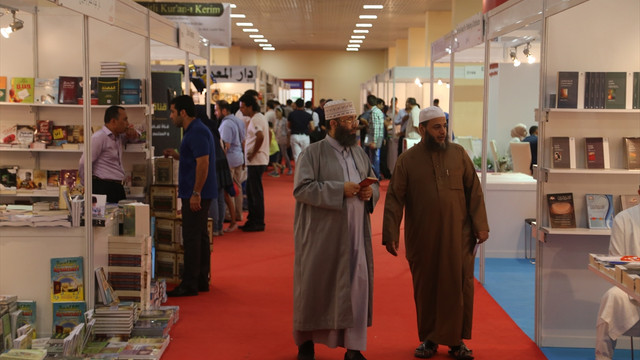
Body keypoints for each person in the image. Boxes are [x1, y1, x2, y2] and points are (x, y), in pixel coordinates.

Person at [382, 106, 489, 360]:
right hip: (423, 236)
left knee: (458, 287)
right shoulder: (407, 160)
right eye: (437, 127)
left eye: (444, 126)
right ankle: (429, 340)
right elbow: (395, 198)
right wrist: (390, 233)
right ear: (422, 130)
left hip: (458, 236)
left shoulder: (459, 154)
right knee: (426, 287)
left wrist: (481, 225)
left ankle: (457, 342)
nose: (443, 132)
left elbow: (474, 191)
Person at [293, 99, 379, 360]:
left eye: (355, 120)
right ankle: (306, 343)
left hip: (356, 233)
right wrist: (338, 189)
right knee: (315, 286)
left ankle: (353, 348)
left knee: (356, 287)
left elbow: (374, 181)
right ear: (333, 124)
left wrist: (369, 192)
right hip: (322, 235)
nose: (355, 126)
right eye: (350, 121)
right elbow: (302, 189)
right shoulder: (312, 153)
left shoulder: (358, 152)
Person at [163, 95, 217, 297]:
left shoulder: (196, 132)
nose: (171, 116)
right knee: (200, 236)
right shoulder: (196, 131)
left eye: (173, 111)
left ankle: (190, 283)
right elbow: (196, 159)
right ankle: (201, 279)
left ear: (182, 112)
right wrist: (178, 155)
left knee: (192, 238)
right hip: (199, 191)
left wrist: (196, 193)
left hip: (196, 193)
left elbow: (203, 163)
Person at [595, 185, 640, 360]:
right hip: (632, 288)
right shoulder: (624, 218)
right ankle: (603, 357)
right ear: (638, 193)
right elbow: (616, 263)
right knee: (612, 297)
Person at [78, 105, 138, 203]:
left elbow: (135, 137)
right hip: (103, 187)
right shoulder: (99, 137)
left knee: (119, 216)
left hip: (117, 187)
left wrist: (133, 132)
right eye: (125, 120)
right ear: (113, 121)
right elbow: (84, 163)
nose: (127, 123)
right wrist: (87, 185)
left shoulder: (118, 137)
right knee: (103, 217)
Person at [238, 93, 269, 232]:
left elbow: (260, 136)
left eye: (243, 107)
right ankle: (253, 219)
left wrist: (253, 153)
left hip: (256, 161)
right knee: (252, 191)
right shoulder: (258, 117)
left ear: (250, 106)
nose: (241, 110)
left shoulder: (256, 119)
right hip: (257, 160)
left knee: (254, 192)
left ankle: (257, 221)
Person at [217, 100, 246, 227]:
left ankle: (230, 215)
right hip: (239, 157)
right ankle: (238, 213)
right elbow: (243, 141)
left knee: (229, 188)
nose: (215, 113)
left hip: (229, 160)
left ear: (224, 110)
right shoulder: (238, 121)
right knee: (237, 187)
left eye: (216, 110)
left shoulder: (226, 124)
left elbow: (225, 145)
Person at [363, 94, 384, 179]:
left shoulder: (374, 112)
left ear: (368, 103)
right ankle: (376, 176)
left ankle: (375, 176)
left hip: (375, 138)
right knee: (375, 158)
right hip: (378, 137)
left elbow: (375, 127)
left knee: (374, 159)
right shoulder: (379, 111)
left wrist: (374, 141)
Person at [274, 106, 293, 175]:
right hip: (277, 139)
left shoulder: (285, 120)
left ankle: (290, 168)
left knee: (285, 154)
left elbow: (288, 131)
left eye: (277, 112)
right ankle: (278, 169)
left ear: (281, 112)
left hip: (283, 139)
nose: (276, 113)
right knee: (277, 155)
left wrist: (288, 140)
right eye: (276, 112)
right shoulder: (276, 120)